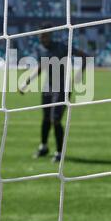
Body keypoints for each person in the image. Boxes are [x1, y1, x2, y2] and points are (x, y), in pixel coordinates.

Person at [19, 24, 88, 163]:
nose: (41, 38)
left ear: (50, 35)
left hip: (63, 87)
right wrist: (26, 82)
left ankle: (59, 152)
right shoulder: (40, 49)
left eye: (44, 35)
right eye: (40, 36)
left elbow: (84, 56)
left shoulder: (62, 47)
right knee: (45, 119)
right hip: (48, 87)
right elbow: (41, 67)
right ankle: (43, 147)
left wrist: (80, 74)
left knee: (55, 120)